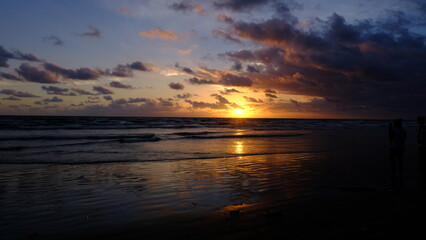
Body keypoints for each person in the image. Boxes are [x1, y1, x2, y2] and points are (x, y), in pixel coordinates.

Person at [389, 119, 406, 190]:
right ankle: (400, 174)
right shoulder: (403, 130)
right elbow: (404, 138)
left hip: (394, 147)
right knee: (400, 160)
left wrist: (389, 128)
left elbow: (390, 137)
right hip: (401, 147)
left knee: (393, 161)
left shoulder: (393, 130)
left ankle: (394, 174)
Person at [417, 116, 426, 184]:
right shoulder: (421, 128)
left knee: (422, 157)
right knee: (421, 157)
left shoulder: (423, 128)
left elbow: (421, 137)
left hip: (423, 145)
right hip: (421, 145)